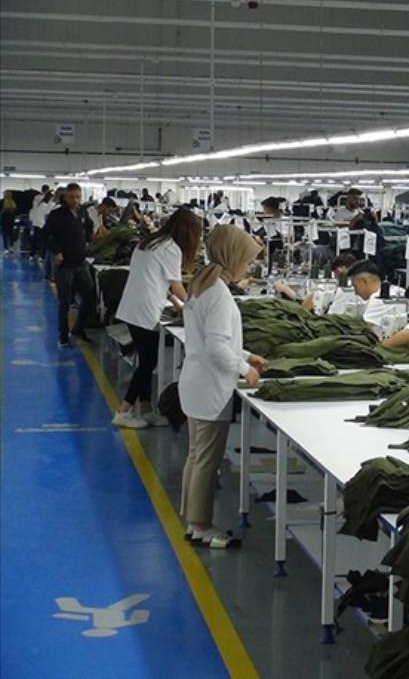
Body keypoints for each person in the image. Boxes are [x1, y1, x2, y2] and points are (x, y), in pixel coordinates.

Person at [178, 224, 268, 549]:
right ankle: (201, 527)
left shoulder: (203, 283)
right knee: (206, 460)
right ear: (232, 256)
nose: (248, 267)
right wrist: (246, 370)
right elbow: (216, 347)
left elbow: (213, 340)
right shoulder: (216, 291)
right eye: (246, 260)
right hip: (209, 387)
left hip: (196, 382)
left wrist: (247, 354)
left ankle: (192, 522)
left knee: (196, 456)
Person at [112, 208, 204, 429]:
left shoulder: (149, 242)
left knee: (146, 359)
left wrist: (175, 302)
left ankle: (145, 410)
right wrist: (199, 306)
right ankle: (123, 412)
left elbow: (157, 280)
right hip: (144, 310)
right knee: (147, 363)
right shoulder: (171, 249)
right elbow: (176, 285)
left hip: (133, 306)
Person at [45, 184, 98, 347]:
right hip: (65, 266)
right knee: (65, 302)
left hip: (81, 263)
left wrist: (89, 238)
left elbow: (88, 225)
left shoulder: (82, 211)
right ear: (65, 197)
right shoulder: (56, 215)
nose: (75, 200)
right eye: (71, 197)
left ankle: (78, 329)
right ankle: (63, 336)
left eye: (77, 197)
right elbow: (45, 236)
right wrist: (56, 252)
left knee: (90, 297)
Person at [325, 260, 393, 326]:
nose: (355, 292)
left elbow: (365, 331)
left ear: (364, 281)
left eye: (355, 286)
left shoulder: (377, 300)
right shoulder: (395, 290)